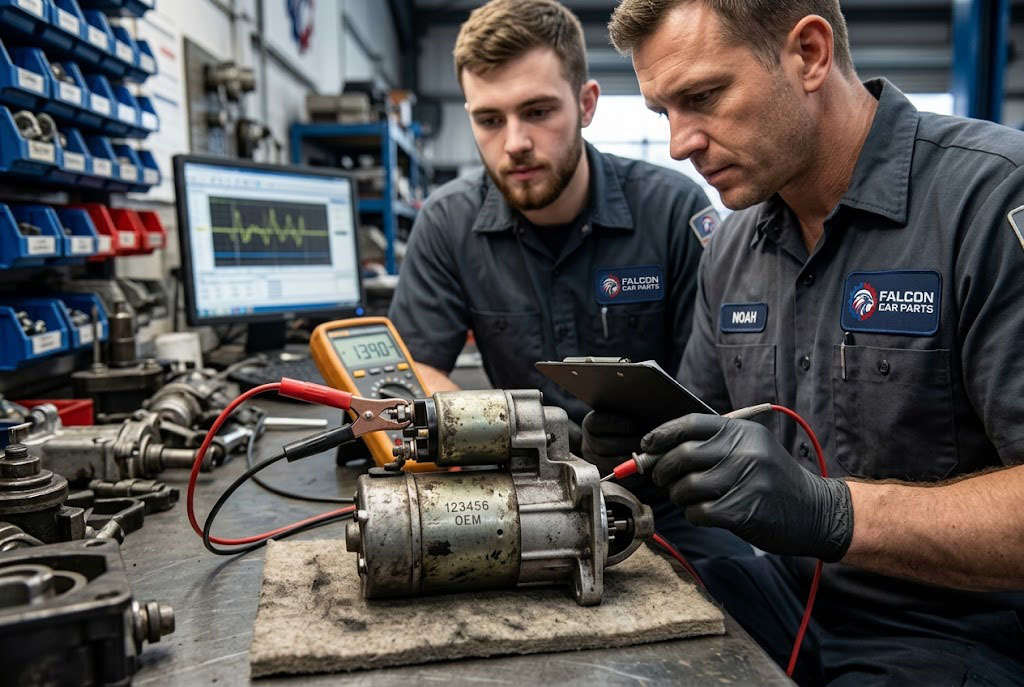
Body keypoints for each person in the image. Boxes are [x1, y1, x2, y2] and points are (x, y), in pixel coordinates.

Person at [581, 0, 1024, 684]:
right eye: (663, 112)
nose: (679, 143)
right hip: (787, 600)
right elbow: (710, 432)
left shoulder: (988, 202)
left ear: (810, 54)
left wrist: (831, 511)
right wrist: (647, 456)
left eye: (702, 97)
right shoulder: (731, 246)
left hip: (955, 631)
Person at [389, 0, 751, 561]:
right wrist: (498, 434)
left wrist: (650, 445)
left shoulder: (674, 211)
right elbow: (415, 368)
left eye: (537, 111)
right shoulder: (447, 224)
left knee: (732, 606)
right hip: (522, 495)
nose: (514, 143)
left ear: (585, 104)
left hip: (664, 499)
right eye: (489, 119)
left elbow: (719, 387)